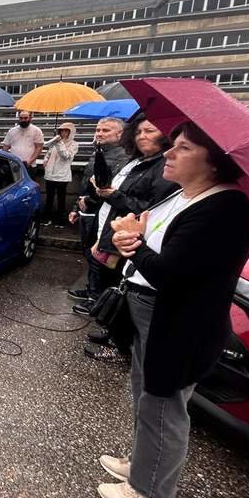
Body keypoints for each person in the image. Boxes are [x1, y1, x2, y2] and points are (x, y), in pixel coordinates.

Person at [97, 121, 249, 498]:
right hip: (154, 311)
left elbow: (173, 272)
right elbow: (151, 231)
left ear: (214, 161)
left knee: (164, 402)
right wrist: (130, 235)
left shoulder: (225, 208)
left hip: (180, 322)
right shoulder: (186, 195)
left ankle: (152, 493)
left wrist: (131, 247)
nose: (169, 153)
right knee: (146, 393)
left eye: (183, 149)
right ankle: (143, 463)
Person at [83, 115, 178, 358]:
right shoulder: (136, 162)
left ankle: (119, 347)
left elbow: (150, 207)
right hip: (112, 233)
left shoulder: (161, 167)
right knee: (110, 287)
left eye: (150, 131)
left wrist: (113, 195)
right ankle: (112, 333)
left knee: (119, 289)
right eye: (138, 132)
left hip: (129, 240)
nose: (142, 136)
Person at [66, 117, 128, 306]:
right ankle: (92, 289)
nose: (99, 133)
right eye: (98, 130)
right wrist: (77, 207)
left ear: (120, 134)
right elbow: (87, 184)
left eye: (106, 130)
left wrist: (89, 201)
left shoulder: (123, 158)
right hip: (87, 211)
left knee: (100, 256)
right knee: (89, 252)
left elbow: (111, 190)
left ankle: (97, 298)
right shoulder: (97, 153)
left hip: (102, 214)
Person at [41, 122, 78, 226]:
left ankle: (60, 220)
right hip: (50, 175)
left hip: (62, 176)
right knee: (49, 198)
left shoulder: (74, 144)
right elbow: (48, 152)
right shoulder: (55, 141)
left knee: (61, 199)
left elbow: (66, 156)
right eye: (61, 130)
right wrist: (45, 160)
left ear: (70, 132)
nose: (63, 132)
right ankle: (47, 218)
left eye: (66, 130)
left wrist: (60, 143)